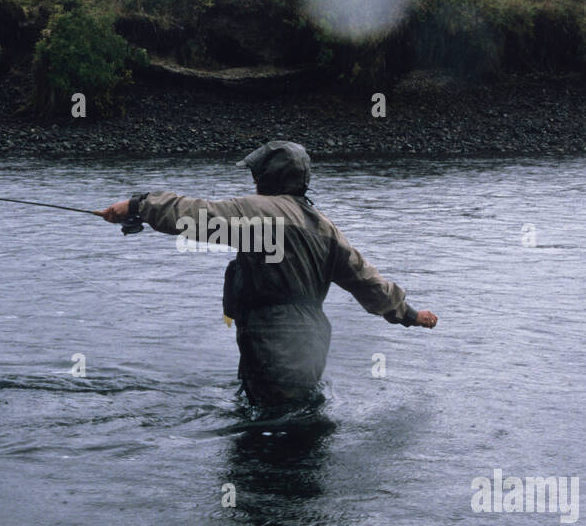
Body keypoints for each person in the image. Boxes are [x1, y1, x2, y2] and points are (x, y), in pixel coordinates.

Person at [99, 140, 437, 406]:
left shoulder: (256, 212)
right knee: (296, 424)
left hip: (271, 339)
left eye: (256, 176)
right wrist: (409, 314)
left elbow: (195, 215)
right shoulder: (326, 228)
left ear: (268, 178)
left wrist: (138, 206)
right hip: (311, 343)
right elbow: (367, 281)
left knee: (267, 430)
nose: (254, 181)